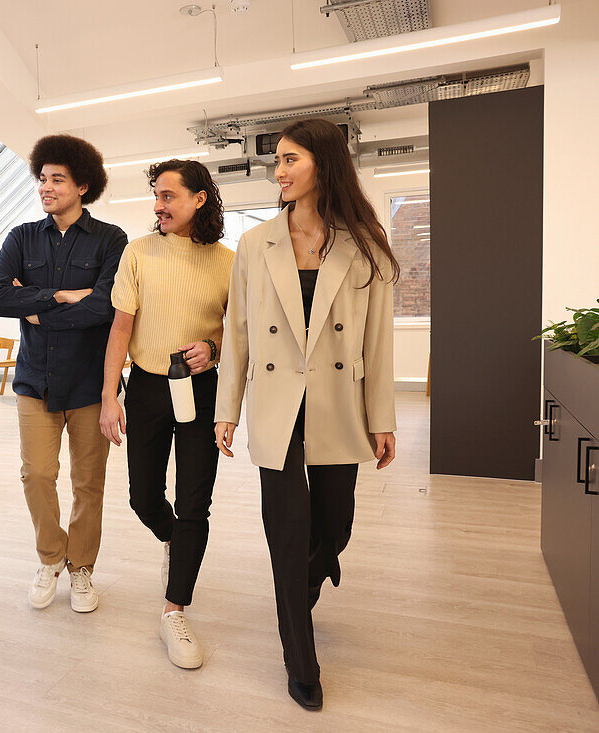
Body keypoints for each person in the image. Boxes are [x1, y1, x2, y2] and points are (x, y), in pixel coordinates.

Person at [214, 118, 399, 710]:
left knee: (335, 528)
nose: (280, 169)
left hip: (336, 404)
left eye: (290, 158)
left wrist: (383, 418)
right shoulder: (255, 243)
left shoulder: (363, 244)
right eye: (278, 161)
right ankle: (301, 658)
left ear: (323, 162)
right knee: (286, 538)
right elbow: (237, 334)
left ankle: (307, 582)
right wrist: (227, 409)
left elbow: (378, 341)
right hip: (275, 408)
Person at [100, 159, 234, 669]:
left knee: (195, 500)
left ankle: (175, 609)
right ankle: (175, 543)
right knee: (143, 497)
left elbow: (235, 333)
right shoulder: (138, 253)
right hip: (150, 389)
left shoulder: (227, 261)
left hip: (201, 391)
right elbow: (119, 329)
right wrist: (110, 394)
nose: (159, 205)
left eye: (169, 196)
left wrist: (212, 348)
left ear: (199, 198)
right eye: (156, 196)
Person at [0, 134, 127, 613]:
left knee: (89, 483)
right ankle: (51, 557)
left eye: (57, 179)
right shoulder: (21, 237)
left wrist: (37, 307)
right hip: (34, 381)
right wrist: (64, 296)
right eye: (42, 178)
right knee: (37, 474)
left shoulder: (111, 240)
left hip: (90, 383)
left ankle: (82, 567)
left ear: (83, 186)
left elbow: (106, 307)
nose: (45, 187)